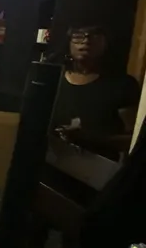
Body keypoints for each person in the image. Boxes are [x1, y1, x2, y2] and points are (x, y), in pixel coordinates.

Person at [52, 25, 140, 154]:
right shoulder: (54, 79)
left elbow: (133, 139)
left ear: (106, 43)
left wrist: (90, 140)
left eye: (94, 35)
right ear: (68, 43)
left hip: (99, 162)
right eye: (78, 35)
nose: (86, 41)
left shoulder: (123, 84)